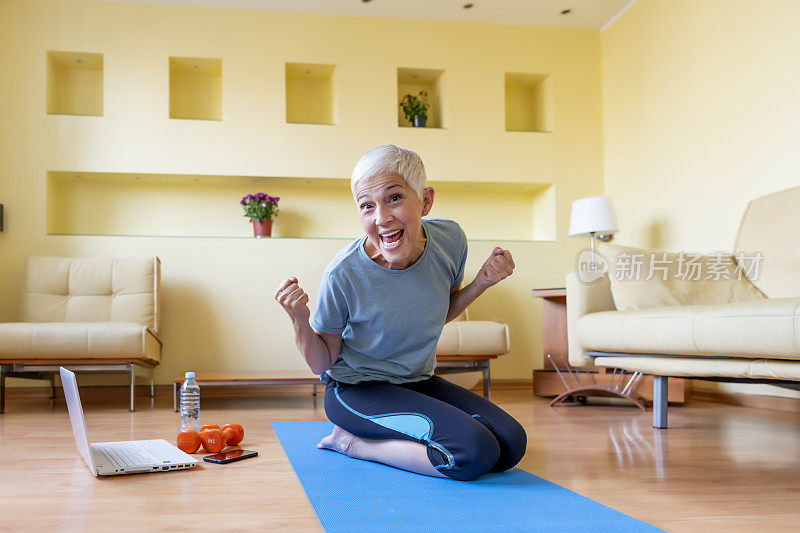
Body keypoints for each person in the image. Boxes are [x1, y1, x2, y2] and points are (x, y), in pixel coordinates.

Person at [274, 144, 526, 481]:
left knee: (511, 443)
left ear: (425, 201)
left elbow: (437, 311)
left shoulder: (450, 241)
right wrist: (299, 320)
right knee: (473, 453)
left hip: (417, 381)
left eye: (394, 198)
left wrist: (483, 281)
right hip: (356, 390)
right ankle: (353, 444)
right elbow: (322, 364)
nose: (381, 218)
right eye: (367, 206)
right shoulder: (343, 274)